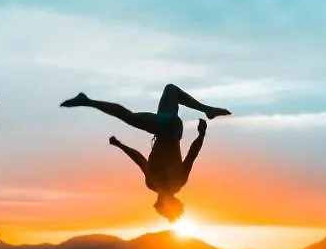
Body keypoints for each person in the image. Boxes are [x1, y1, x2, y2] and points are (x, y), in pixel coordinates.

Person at [61, 83, 230, 222]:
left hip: (165, 128)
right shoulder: (178, 182)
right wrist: (201, 134)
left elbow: (139, 159)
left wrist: (120, 145)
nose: (157, 201)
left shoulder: (152, 183)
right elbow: (192, 155)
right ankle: (87, 101)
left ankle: (208, 110)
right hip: (170, 130)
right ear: (167, 202)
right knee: (133, 116)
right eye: (160, 203)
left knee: (170, 91)